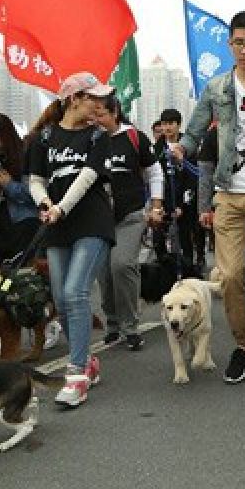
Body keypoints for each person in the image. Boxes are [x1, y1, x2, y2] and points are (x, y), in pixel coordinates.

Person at [174, 10, 245, 385]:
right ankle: (242, 345)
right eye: (239, 42)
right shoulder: (216, 87)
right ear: (230, 45)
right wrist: (181, 147)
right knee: (230, 277)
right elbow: (193, 132)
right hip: (228, 193)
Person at [26, 72, 118, 407]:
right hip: (56, 226)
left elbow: (88, 177)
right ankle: (87, 361)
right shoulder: (43, 137)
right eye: (93, 98)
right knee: (61, 300)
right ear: (73, 99)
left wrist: (61, 207)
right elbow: (35, 180)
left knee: (76, 293)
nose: (100, 105)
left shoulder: (98, 136)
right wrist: (44, 202)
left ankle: (77, 372)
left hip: (91, 221)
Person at [90, 93, 164, 351]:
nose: (96, 120)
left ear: (114, 113)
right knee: (104, 273)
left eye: (101, 114)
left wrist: (156, 205)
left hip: (130, 216)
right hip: (98, 219)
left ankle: (130, 326)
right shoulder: (91, 140)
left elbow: (155, 171)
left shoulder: (133, 138)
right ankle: (112, 324)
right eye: (93, 114)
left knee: (122, 264)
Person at [0, 113, 41, 267]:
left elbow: (35, 193)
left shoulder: (24, 154)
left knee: (21, 272)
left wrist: (10, 185)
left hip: (23, 221)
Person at [154, 108, 201, 274]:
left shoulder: (188, 147)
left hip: (184, 202)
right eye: (164, 123)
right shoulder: (157, 148)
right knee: (159, 239)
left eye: (170, 123)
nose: (167, 128)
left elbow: (193, 176)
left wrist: (183, 205)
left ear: (178, 125)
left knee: (185, 238)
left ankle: (189, 271)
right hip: (163, 201)